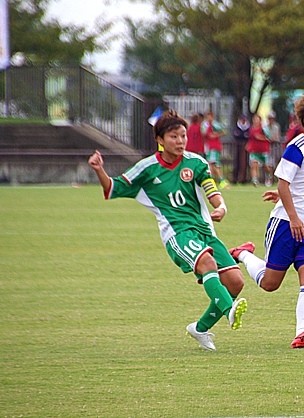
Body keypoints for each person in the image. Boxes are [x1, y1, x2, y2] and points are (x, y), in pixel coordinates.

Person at [87, 110, 247, 351]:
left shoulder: (196, 163)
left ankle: (200, 328)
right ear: (160, 140)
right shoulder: (148, 168)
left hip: (204, 230)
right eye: (174, 137)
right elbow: (113, 188)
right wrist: (100, 170)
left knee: (235, 282)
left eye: (183, 136)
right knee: (207, 264)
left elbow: (210, 189)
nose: (181, 141)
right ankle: (229, 309)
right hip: (177, 234)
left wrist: (221, 206)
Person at [229, 91, 304, 349]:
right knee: (270, 283)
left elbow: (303, 185)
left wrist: (287, 194)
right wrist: (293, 215)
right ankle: (243, 254)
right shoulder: (297, 148)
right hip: (287, 225)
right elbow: (284, 183)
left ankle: (302, 333)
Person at [201, 110, 229, 189]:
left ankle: (217, 181)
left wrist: (216, 135)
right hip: (208, 146)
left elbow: (224, 132)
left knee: (211, 164)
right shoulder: (204, 125)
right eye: (207, 116)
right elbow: (203, 133)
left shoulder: (215, 124)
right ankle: (218, 181)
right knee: (214, 165)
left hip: (215, 146)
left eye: (210, 116)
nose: (209, 118)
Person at [246, 113, 272, 186]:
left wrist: (260, 137)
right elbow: (251, 138)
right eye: (254, 119)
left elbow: (268, 137)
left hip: (263, 150)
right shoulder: (251, 129)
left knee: (265, 166)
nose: (255, 121)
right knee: (254, 164)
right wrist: (248, 144)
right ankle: (255, 180)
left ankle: (269, 176)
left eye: (257, 119)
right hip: (254, 150)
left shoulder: (263, 128)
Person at [264, 112, 282, 187]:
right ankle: (269, 178)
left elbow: (276, 136)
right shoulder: (265, 127)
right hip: (268, 147)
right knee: (269, 163)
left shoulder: (276, 126)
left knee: (277, 163)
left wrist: (271, 138)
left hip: (275, 146)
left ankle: (278, 180)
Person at [232, 114, 251, 184]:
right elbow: (236, 135)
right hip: (237, 146)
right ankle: (235, 178)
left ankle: (244, 179)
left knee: (245, 162)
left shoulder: (248, 128)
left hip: (245, 147)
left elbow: (248, 136)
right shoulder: (236, 127)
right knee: (236, 162)